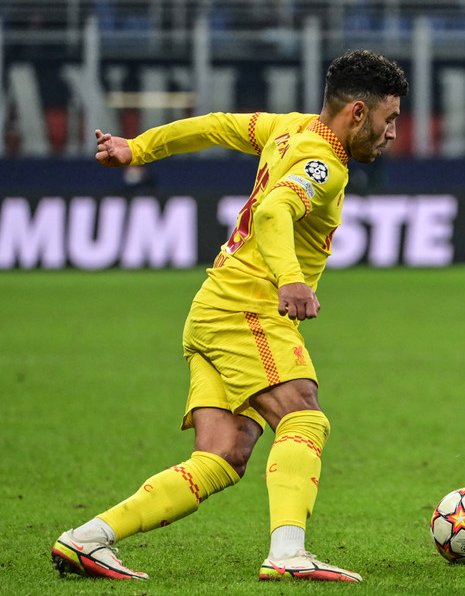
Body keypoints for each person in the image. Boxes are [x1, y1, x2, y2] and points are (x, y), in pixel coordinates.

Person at [50, 50, 409, 582]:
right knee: (303, 416)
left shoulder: (286, 128)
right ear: (358, 113)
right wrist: (290, 278)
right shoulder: (324, 165)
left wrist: (138, 148)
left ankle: (87, 540)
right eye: (389, 119)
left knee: (222, 455)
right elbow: (273, 210)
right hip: (248, 306)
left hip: (212, 305)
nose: (392, 133)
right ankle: (288, 554)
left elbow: (215, 125)